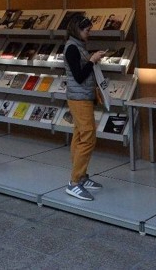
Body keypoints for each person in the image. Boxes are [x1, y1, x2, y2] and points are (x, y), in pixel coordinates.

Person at [63, 16, 105, 201]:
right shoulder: (72, 48)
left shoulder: (77, 46)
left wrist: (91, 59)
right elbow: (79, 76)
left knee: (80, 135)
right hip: (79, 98)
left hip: (82, 97)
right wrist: (92, 61)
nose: (89, 34)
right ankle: (74, 182)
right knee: (88, 137)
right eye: (86, 30)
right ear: (76, 30)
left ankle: (80, 177)